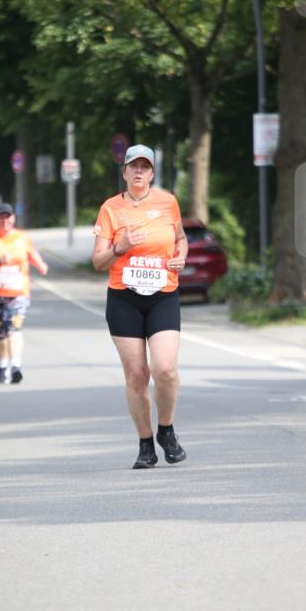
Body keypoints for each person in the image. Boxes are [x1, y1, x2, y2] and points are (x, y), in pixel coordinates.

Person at [92, 144, 189, 470]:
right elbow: (97, 261)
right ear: (124, 172)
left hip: (163, 294)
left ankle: (167, 429)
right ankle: (146, 444)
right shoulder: (110, 208)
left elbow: (180, 239)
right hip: (124, 298)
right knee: (136, 374)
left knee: (165, 369)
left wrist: (182, 255)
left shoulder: (168, 203)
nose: (139, 171)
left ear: (152, 173)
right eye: (133, 166)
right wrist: (120, 246)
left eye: (145, 167)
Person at [0, 202, 49, 384]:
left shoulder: (22, 238)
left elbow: (32, 254)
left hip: (18, 293)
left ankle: (15, 366)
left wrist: (41, 265)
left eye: (8, 217)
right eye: (1, 217)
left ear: (13, 218)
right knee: (0, 332)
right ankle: (2, 365)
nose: (5, 220)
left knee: (14, 327)